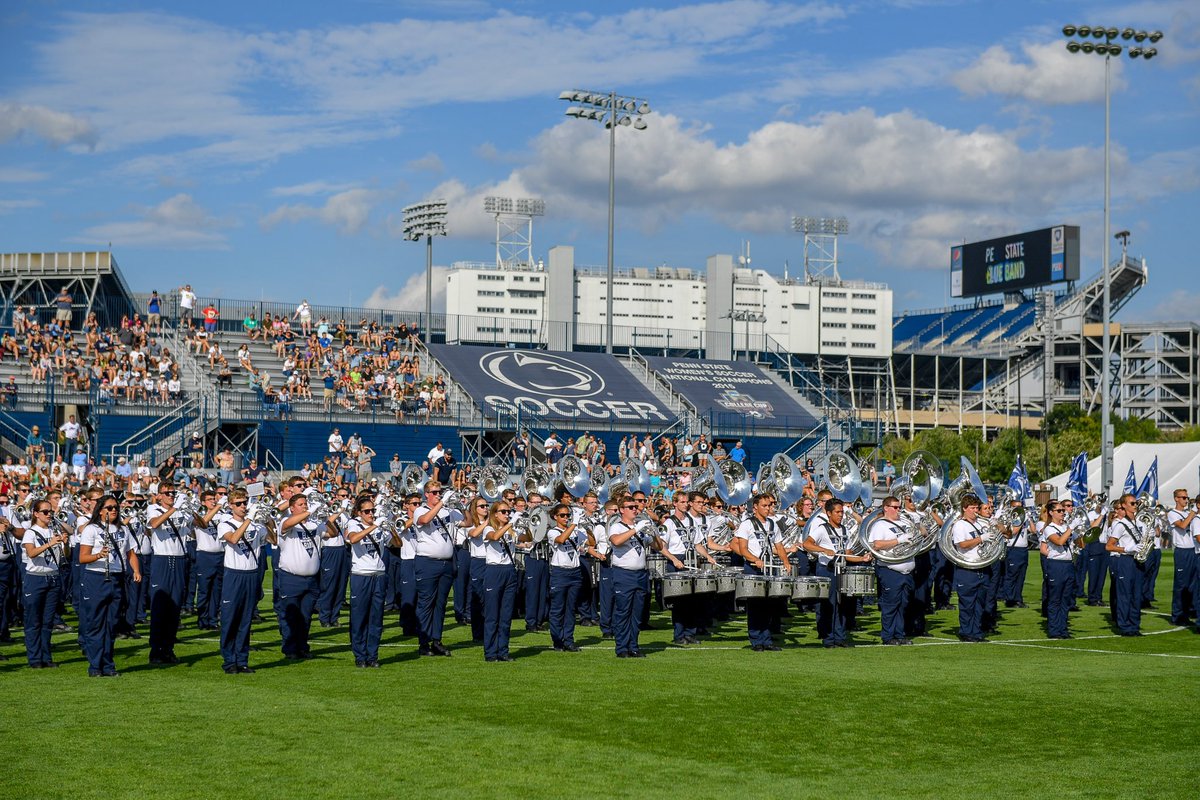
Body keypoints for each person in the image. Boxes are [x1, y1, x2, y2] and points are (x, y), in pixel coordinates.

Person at [78, 495, 140, 677]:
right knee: (96, 623)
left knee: (112, 624)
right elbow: (82, 557)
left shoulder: (123, 529)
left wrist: (136, 570)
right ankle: (95, 666)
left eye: (116, 508)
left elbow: (131, 553)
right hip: (96, 578)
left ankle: (108, 664)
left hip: (116, 577)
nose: (114, 510)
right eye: (110, 507)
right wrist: (98, 555)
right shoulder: (91, 529)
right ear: (101, 510)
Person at [803, 497, 872, 647]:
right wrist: (823, 549)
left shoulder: (844, 529)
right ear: (829, 513)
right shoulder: (822, 528)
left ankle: (840, 637)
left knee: (842, 605)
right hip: (826, 570)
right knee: (828, 605)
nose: (841, 515)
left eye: (842, 512)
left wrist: (862, 558)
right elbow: (806, 543)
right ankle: (828, 638)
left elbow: (847, 554)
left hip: (841, 569)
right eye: (837, 512)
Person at [218, 488, 267, 673]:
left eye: (245, 502)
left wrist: (266, 518)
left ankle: (242, 660)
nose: (243, 506)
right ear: (231, 505)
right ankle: (229, 661)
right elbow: (233, 539)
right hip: (234, 574)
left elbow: (274, 538)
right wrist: (249, 520)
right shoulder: (225, 523)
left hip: (251, 575)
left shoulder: (255, 524)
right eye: (238, 503)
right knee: (231, 619)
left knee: (246, 621)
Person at [276, 491, 330, 659]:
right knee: (291, 616)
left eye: (306, 503)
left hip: (311, 579)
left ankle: (302, 647)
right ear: (292, 508)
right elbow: (287, 525)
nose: (305, 506)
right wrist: (309, 512)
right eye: (301, 504)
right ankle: (290, 649)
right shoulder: (286, 521)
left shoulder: (314, 524)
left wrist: (325, 517)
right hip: (291, 578)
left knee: (305, 617)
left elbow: (333, 533)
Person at [344, 493, 396, 667]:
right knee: (359, 617)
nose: (371, 514)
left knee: (376, 618)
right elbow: (353, 539)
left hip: (379, 575)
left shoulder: (379, 526)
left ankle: (373, 656)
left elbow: (398, 544)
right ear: (359, 513)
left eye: (372, 510)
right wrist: (374, 526)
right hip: (361, 576)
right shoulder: (354, 524)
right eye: (367, 511)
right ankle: (360, 656)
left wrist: (392, 529)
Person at [734, 493, 790, 651]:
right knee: (755, 605)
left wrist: (786, 561)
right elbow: (742, 549)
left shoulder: (773, 524)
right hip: (753, 568)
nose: (768, 508)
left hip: (770, 568)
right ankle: (756, 640)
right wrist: (754, 559)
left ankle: (767, 639)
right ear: (755, 507)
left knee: (769, 604)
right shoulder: (747, 524)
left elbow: (779, 546)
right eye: (764, 506)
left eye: (769, 506)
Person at [607, 496, 661, 658]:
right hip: (623, 573)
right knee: (623, 611)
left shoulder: (641, 527)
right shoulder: (616, 526)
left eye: (635, 507)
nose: (635, 509)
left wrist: (654, 531)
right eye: (630, 507)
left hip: (640, 574)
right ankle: (622, 647)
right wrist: (636, 529)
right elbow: (616, 541)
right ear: (622, 510)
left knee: (637, 613)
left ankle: (634, 646)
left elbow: (658, 547)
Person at [146, 482, 191, 664]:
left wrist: (190, 508)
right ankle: (155, 650)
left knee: (175, 607)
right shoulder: (153, 508)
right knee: (159, 607)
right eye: (168, 493)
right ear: (159, 495)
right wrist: (175, 509)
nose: (171, 495)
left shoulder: (181, 509)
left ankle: (169, 648)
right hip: (162, 560)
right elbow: (155, 524)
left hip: (179, 560)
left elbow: (201, 525)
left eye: (173, 492)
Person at [20, 501, 69, 668]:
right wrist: (50, 543)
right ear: (36, 513)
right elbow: (31, 553)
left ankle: (46, 657)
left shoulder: (53, 530)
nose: (49, 514)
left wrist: (65, 543)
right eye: (45, 511)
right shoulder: (30, 532)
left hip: (53, 577)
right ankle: (34, 659)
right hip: (36, 577)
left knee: (47, 621)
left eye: (51, 511)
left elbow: (65, 555)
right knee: (34, 620)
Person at [412, 480, 457, 656]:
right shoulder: (419, 510)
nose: (438, 494)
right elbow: (425, 520)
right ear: (427, 494)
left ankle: (436, 640)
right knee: (426, 603)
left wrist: (463, 505)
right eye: (435, 492)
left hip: (446, 563)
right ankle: (424, 642)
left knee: (441, 604)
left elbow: (468, 522)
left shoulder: (447, 510)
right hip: (427, 562)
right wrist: (442, 503)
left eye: (440, 492)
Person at [868, 495, 915, 645]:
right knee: (890, 605)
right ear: (886, 508)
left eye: (899, 507)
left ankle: (899, 635)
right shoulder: (879, 525)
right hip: (890, 570)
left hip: (907, 570)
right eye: (895, 507)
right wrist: (898, 541)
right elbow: (876, 545)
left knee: (903, 605)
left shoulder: (903, 523)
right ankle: (888, 637)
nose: (898, 510)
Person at [546, 502, 593, 653]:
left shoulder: (575, 530)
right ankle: (558, 640)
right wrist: (574, 524)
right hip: (560, 573)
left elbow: (592, 543)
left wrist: (587, 528)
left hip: (575, 572)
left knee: (571, 609)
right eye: (562, 515)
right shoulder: (552, 532)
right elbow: (560, 540)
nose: (566, 517)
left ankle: (569, 640)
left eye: (568, 515)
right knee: (558, 609)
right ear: (555, 517)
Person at [949, 494, 995, 642]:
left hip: (982, 566)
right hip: (967, 567)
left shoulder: (981, 524)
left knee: (980, 603)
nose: (975, 510)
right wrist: (981, 538)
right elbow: (962, 544)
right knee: (967, 603)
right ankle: (966, 632)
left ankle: (976, 631)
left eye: (977, 508)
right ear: (964, 508)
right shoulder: (960, 525)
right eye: (972, 508)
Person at [481, 500, 520, 661]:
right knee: (492, 615)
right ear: (495, 514)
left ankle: (503, 651)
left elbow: (529, 538)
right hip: (494, 571)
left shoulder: (511, 530)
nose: (506, 514)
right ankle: (490, 652)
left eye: (508, 511)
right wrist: (511, 523)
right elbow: (495, 537)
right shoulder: (488, 528)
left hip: (509, 570)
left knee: (506, 616)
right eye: (503, 512)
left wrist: (528, 526)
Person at [1105, 493, 1144, 636]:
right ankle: (1124, 626)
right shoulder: (1120, 525)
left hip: (1138, 561)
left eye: (1136, 503)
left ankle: (1135, 625)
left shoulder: (1139, 523)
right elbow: (1109, 546)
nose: (1136, 506)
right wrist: (1126, 549)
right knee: (1124, 595)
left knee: (1136, 595)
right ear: (1124, 506)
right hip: (1126, 560)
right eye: (1132, 503)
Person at [1039, 501, 1075, 639]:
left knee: (1066, 600)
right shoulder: (1049, 528)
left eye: (1063, 510)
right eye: (1059, 510)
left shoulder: (1067, 527)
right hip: (1056, 564)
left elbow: (1081, 543)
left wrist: (1081, 532)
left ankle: (1063, 629)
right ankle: (1054, 630)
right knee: (1055, 599)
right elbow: (1059, 542)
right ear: (1051, 513)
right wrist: (1071, 529)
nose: (1062, 513)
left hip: (1068, 564)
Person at [317, 487, 351, 627]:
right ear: (336, 496)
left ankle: (334, 617)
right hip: (329, 550)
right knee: (329, 585)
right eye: (341, 495)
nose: (344, 497)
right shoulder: (325, 511)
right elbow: (327, 523)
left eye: (346, 495)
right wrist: (340, 509)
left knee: (340, 585)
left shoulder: (344, 514)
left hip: (342, 549)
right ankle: (325, 617)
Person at [192, 490, 225, 631]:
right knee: (204, 590)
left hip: (220, 554)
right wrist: (218, 507)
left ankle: (212, 619)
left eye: (214, 499)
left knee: (217, 590)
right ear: (203, 502)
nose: (213, 501)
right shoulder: (198, 514)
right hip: (205, 555)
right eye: (210, 499)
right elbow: (203, 523)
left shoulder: (223, 515)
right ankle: (202, 619)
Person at [1167, 490, 1197, 626]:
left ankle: (1189, 611)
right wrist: (1192, 513)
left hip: (1193, 550)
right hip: (1182, 551)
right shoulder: (1173, 513)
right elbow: (1183, 526)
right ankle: (1178, 615)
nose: (1186, 500)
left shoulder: (1187, 513)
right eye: (1183, 497)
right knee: (1181, 585)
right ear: (1176, 499)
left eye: (1187, 497)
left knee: (1192, 585)